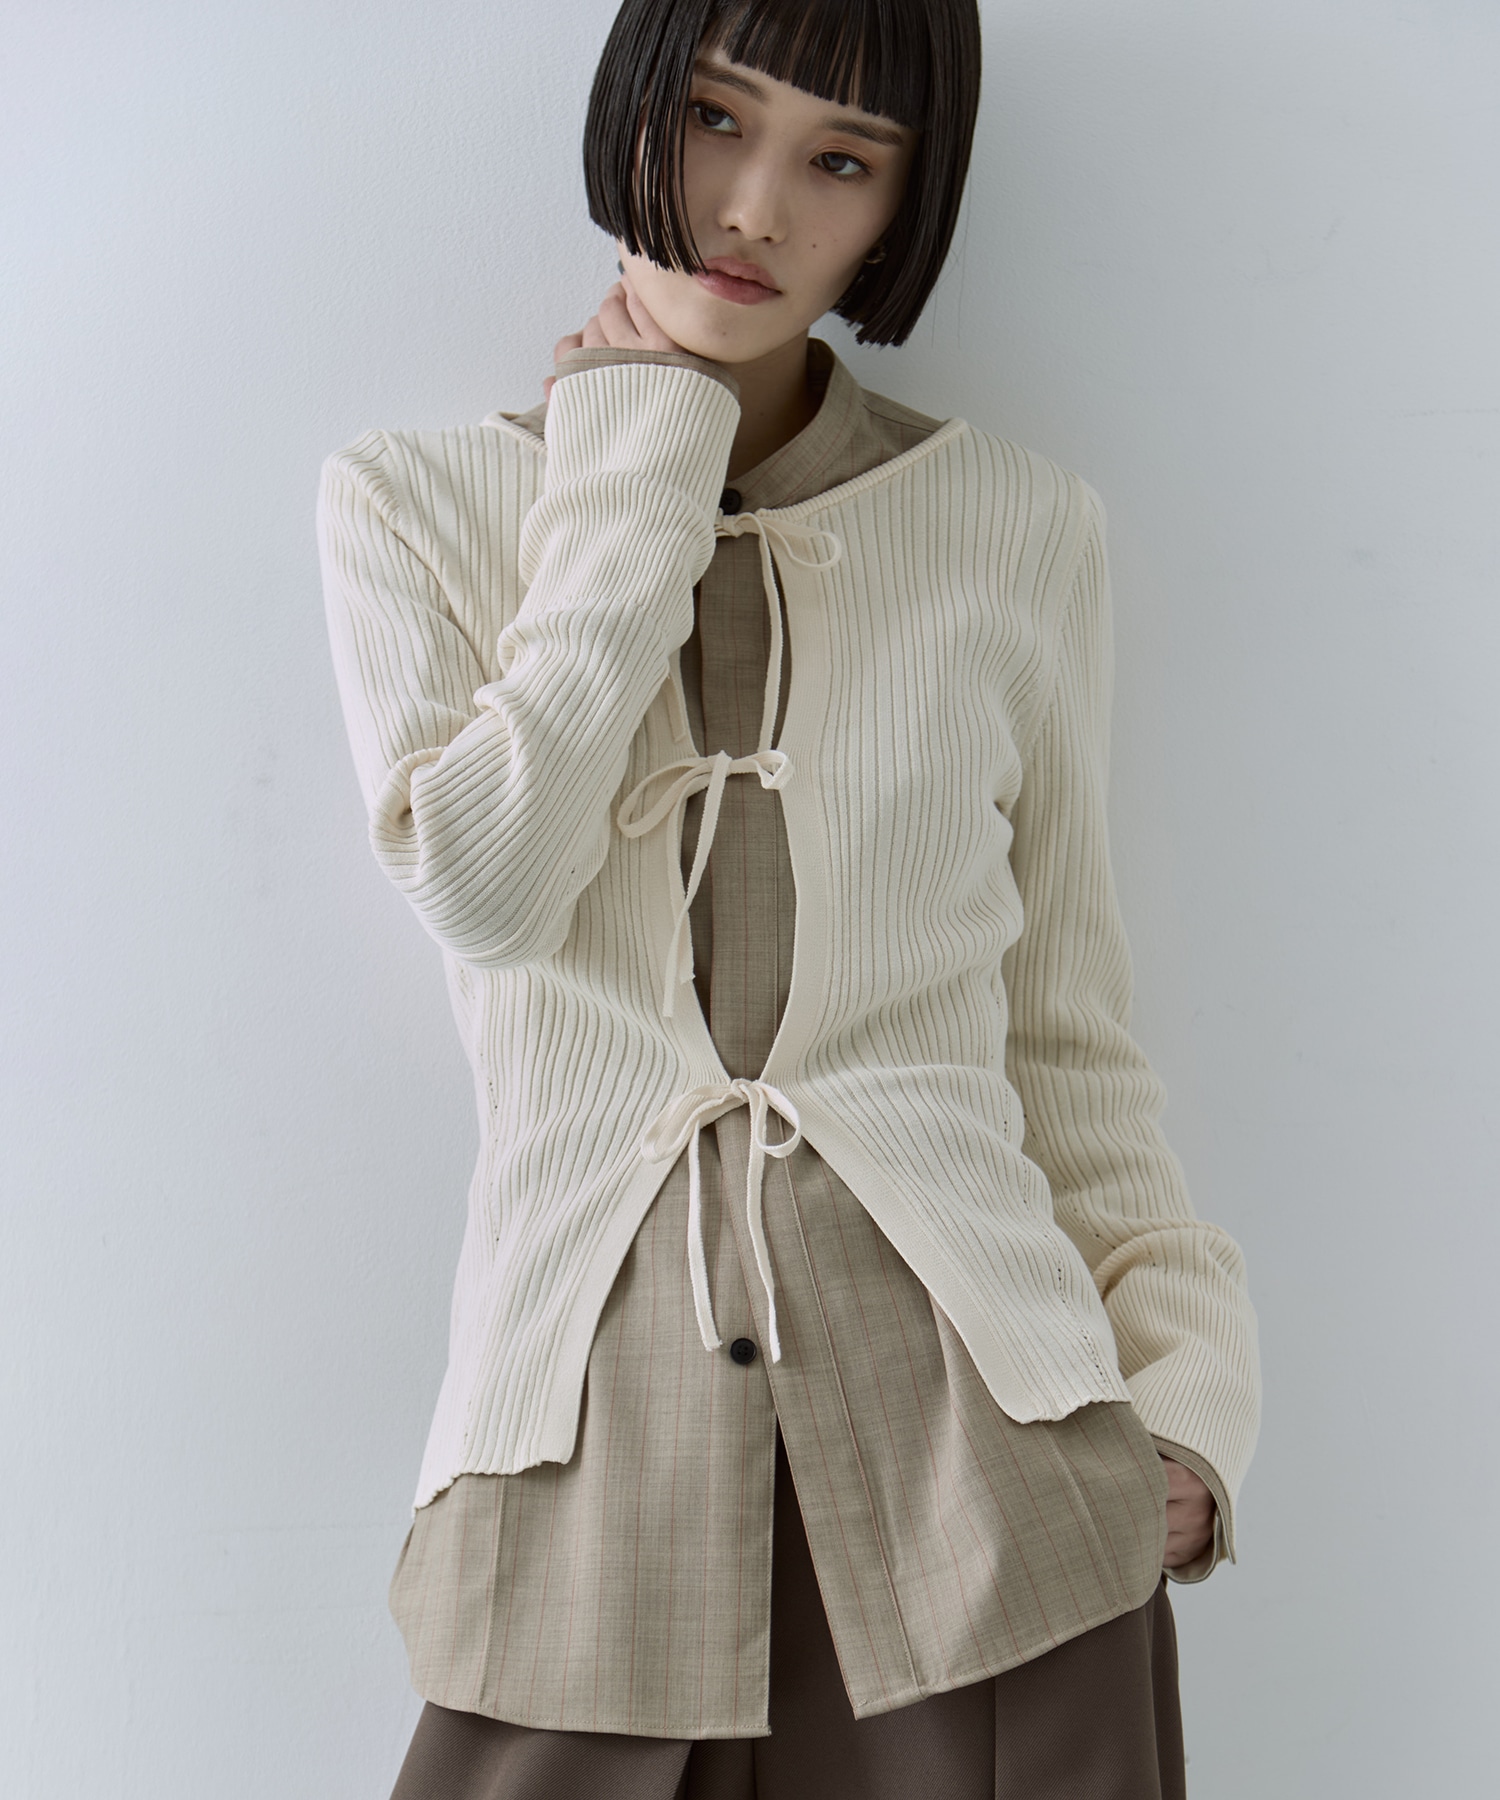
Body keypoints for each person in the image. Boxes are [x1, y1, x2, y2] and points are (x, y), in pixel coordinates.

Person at [316, 1, 1261, 1794]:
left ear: (903, 208)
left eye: (840, 159)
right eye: (711, 119)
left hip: (995, 1490)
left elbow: (1066, 1034)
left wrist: (1189, 1398)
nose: (754, 207)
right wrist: (634, 472)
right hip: (587, 1475)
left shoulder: (1014, 524)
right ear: (631, 109)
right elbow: (488, 887)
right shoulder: (417, 505)